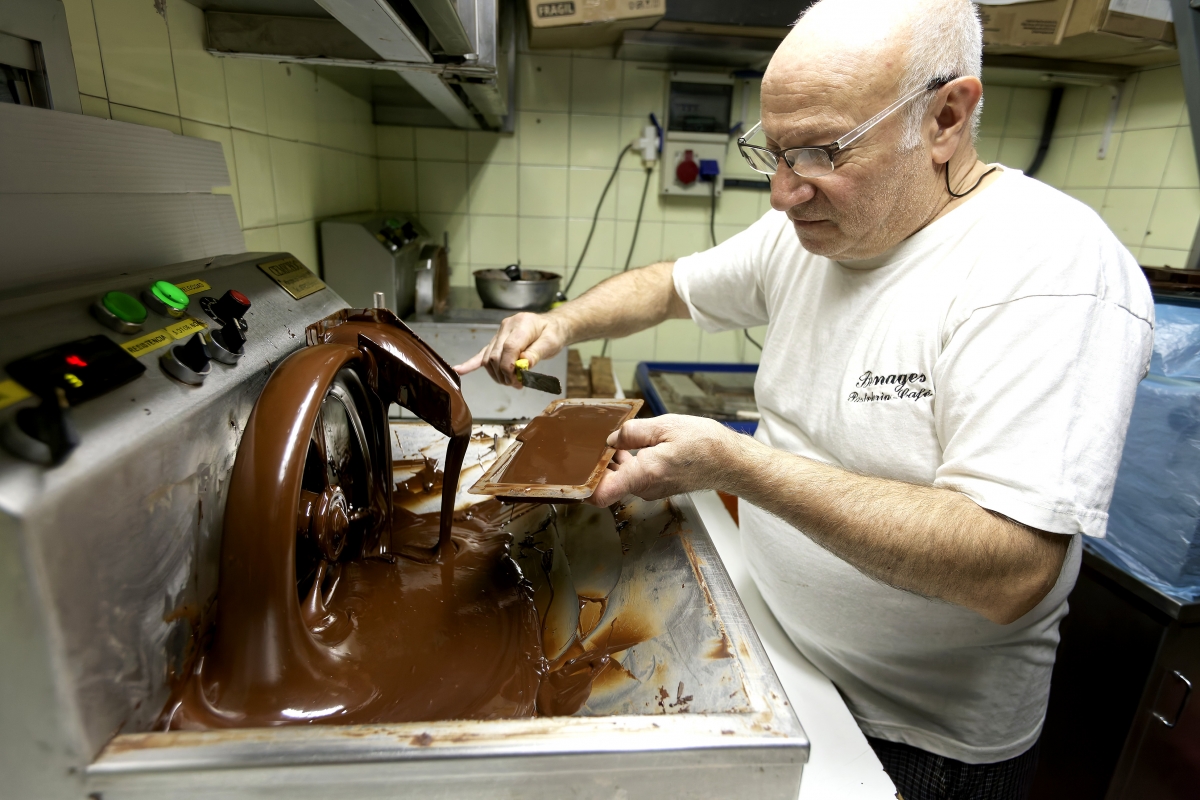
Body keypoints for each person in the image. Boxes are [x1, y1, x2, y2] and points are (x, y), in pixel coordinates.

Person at [455, 0, 1153, 797]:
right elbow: (668, 288)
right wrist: (561, 321)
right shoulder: (814, 233)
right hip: (781, 658)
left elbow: (1010, 568)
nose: (785, 195)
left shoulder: (1048, 271)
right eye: (775, 152)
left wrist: (737, 462)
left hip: (915, 741)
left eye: (822, 151)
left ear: (946, 118)